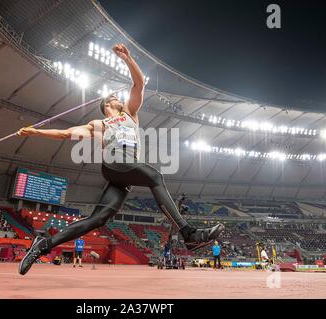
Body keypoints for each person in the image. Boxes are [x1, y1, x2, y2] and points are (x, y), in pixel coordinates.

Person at [17, 43, 225, 275]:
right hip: (113, 162)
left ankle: (44, 244)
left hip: (123, 174)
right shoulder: (99, 124)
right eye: (115, 96)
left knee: (97, 220)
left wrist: (127, 58)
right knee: (155, 176)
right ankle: (189, 234)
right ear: (107, 104)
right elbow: (66, 134)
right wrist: (35, 132)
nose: (119, 97)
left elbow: (139, 83)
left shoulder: (131, 114)